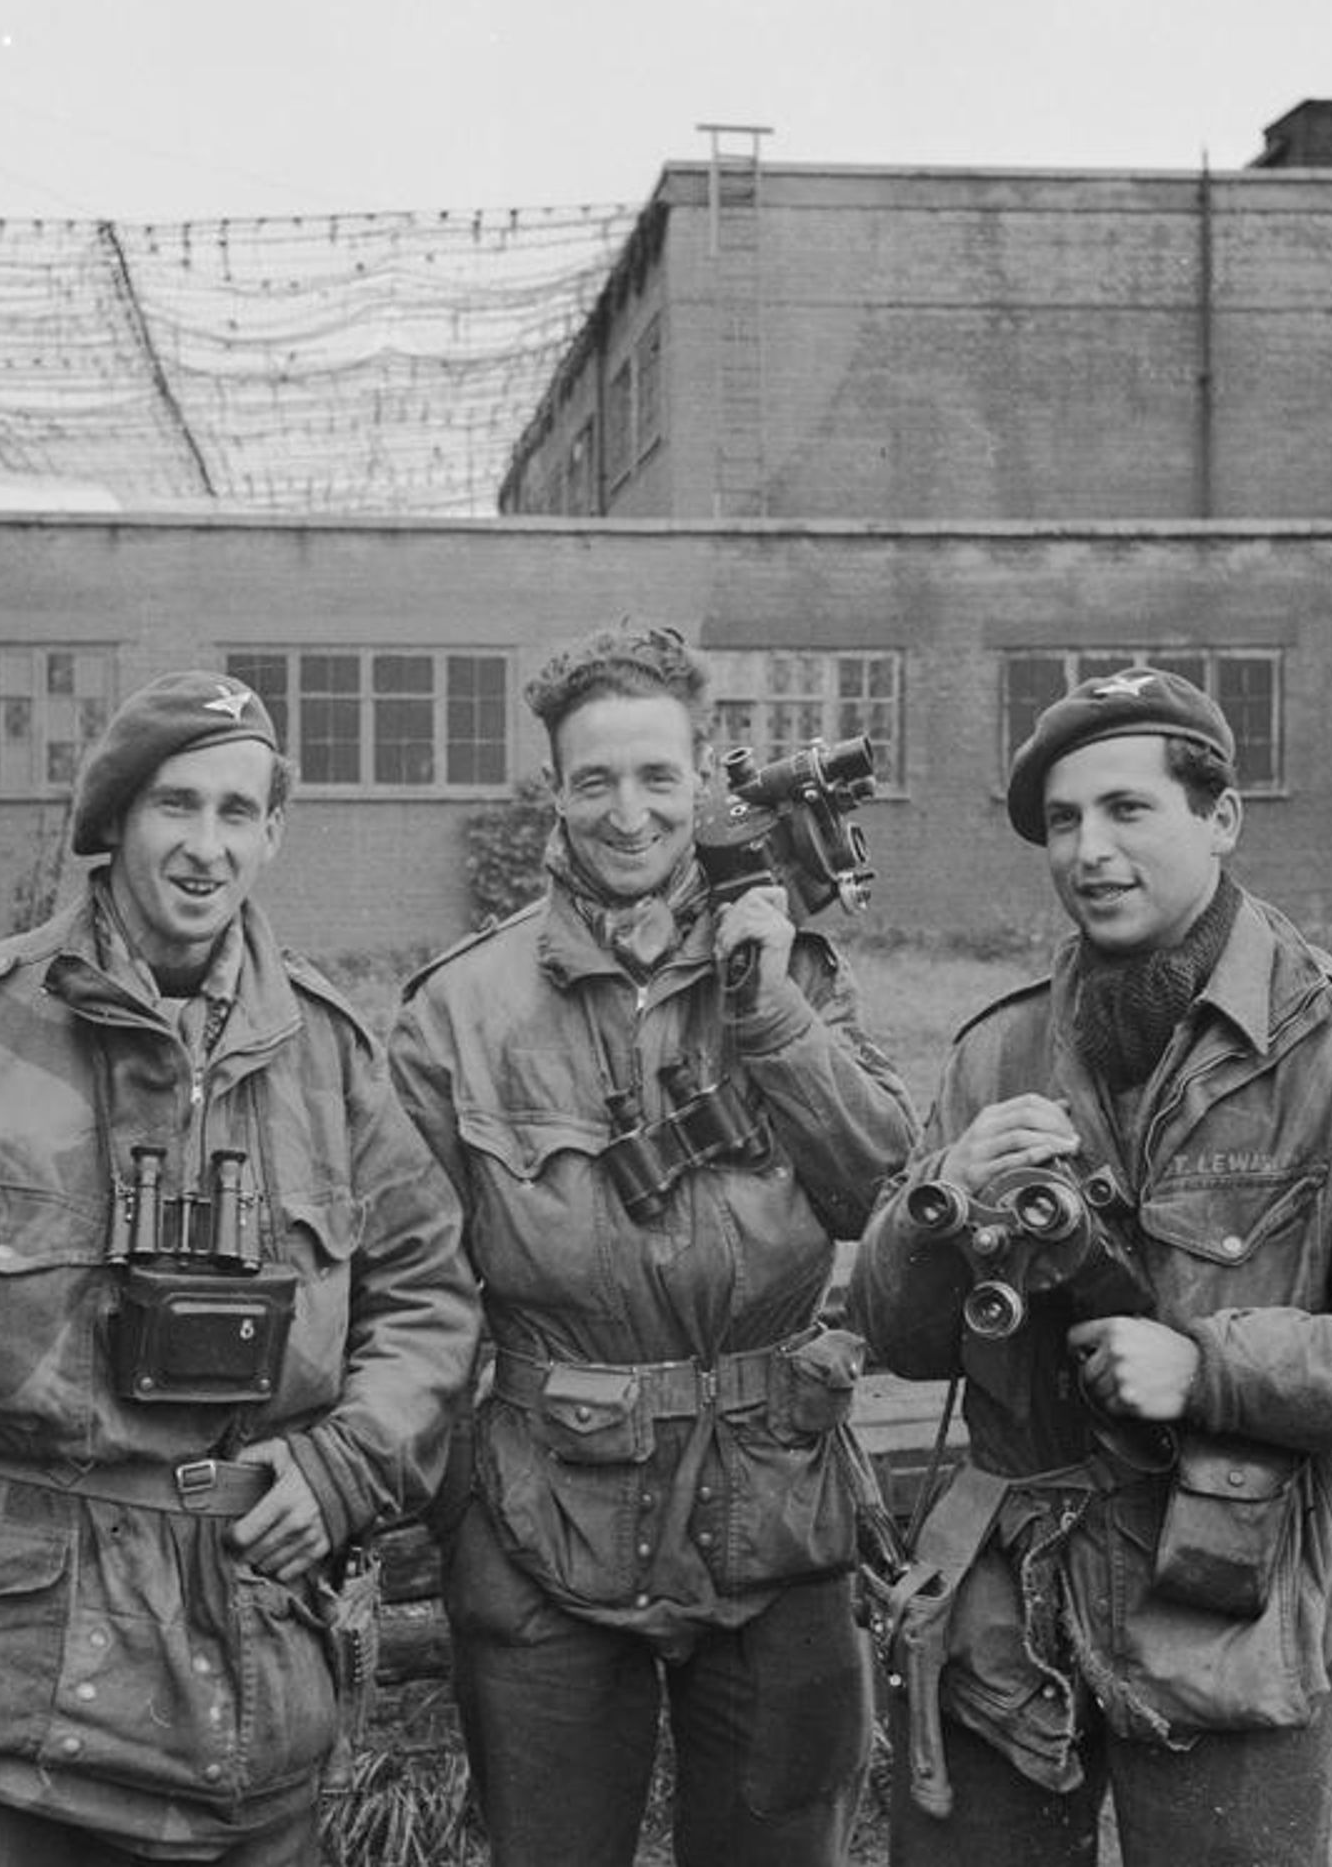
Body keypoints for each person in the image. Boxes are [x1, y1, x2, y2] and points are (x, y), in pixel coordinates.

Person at [848, 666, 1332, 1867]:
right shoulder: (998, 1046)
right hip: (1006, 1608)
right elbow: (898, 1343)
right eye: (1062, 822)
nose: (1087, 852)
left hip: (1233, 1605)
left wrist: (1207, 1366)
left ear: (1218, 819)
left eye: (1126, 810)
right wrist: (932, 1207)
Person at [0, 670, 479, 1866]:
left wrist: (338, 1467)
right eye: (176, 806)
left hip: (247, 1638)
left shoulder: (327, 1060)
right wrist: (39, 1431)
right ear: (114, 820)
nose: (204, 848)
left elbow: (427, 1297)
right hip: (1, 1664)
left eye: (238, 813)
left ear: (272, 835)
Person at [386, 623, 919, 1867]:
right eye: (594, 782)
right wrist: (447, 1503)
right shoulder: (456, 1013)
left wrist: (772, 1008)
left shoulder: (800, 974)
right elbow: (402, 1290)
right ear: (554, 793)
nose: (628, 815)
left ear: (703, 783)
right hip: (541, 1518)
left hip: (778, 1508)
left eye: (657, 780)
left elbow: (887, 1201)